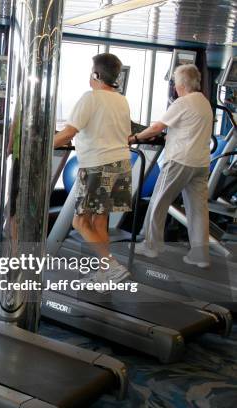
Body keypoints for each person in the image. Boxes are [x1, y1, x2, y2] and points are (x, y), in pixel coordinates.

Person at [53, 53, 133, 290]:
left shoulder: (90, 98)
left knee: (79, 222)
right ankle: (104, 274)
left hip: (98, 166)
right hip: (120, 165)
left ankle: (111, 267)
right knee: (99, 223)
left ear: (96, 75)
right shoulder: (121, 100)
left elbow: (68, 133)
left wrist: (38, 144)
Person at [132, 64, 212, 268]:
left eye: (175, 82)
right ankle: (200, 256)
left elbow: (157, 127)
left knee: (158, 202)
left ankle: (151, 246)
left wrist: (134, 137)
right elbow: (188, 128)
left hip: (180, 161)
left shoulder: (182, 103)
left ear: (181, 84)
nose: (175, 86)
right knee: (198, 210)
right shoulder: (204, 102)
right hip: (201, 163)